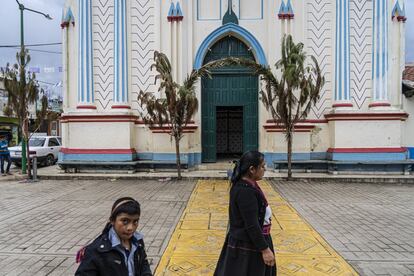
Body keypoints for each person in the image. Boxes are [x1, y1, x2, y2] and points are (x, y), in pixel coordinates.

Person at [214, 151, 276, 276]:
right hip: (248, 247)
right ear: (252, 169)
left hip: (253, 242)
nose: (265, 169)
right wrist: (265, 250)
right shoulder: (245, 191)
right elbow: (251, 224)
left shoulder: (250, 185)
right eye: (263, 166)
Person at [75, 197, 152, 276]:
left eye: (135, 221)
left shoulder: (138, 241)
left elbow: (143, 264)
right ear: (112, 220)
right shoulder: (96, 250)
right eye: (125, 221)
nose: (130, 228)